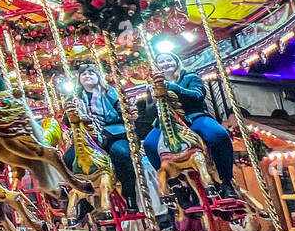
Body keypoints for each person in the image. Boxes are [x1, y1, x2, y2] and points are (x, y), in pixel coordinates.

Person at [142, 52, 237, 199]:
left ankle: (226, 180)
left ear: (177, 62)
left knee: (218, 135)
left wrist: (174, 88)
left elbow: (197, 95)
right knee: (149, 144)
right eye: (161, 62)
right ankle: (175, 184)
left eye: (169, 60)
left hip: (193, 116)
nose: (166, 63)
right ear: (156, 66)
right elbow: (148, 113)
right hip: (167, 122)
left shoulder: (190, 77)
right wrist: (155, 99)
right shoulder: (152, 86)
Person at [65, 61, 139, 213]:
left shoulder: (111, 93)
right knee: (68, 158)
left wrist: (129, 114)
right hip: (88, 137)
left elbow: (122, 113)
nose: (88, 76)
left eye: (91, 72)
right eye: (84, 74)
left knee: (121, 153)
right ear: (79, 79)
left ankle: (129, 194)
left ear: (98, 76)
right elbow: (66, 122)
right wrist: (72, 109)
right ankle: (84, 197)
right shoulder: (74, 97)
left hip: (113, 133)